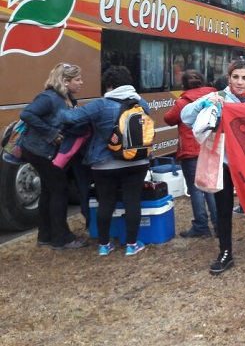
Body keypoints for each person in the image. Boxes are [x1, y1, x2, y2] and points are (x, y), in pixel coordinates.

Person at [181, 59, 245, 275]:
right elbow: (186, 116)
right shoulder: (218, 98)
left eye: (244, 78)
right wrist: (204, 102)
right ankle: (225, 252)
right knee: (224, 209)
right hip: (224, 164)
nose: (239, 82)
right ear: (229, 78)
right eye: (235, 77)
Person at [60, 66, 149, 256]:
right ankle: (132, 245)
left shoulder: (100, 105)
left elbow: (70, 118)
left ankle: (104, 245)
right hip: (137, 161)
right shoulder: (142, 103)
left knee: (105, 202)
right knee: (132, 201)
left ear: (109, 85)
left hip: (104, 164)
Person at [20, 63, 89, 250]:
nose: (81, 82)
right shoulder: (49, 97)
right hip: (39, 151)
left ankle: (46, 235)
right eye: (77, 79)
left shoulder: (67, 97)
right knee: (60, 190)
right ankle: (62, 238)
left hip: (45, 151)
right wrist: (50, 133)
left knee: (50, 191)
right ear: (65, 81)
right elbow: (26, 114)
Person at [164, 70, 217, 238]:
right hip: (209, 147)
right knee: (210, 187)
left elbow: (168, 119)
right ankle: (218, 224)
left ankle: (201, 226)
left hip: (190, 150)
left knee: (195, 189)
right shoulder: (213, 95)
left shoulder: (182, 103)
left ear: (184, 85)